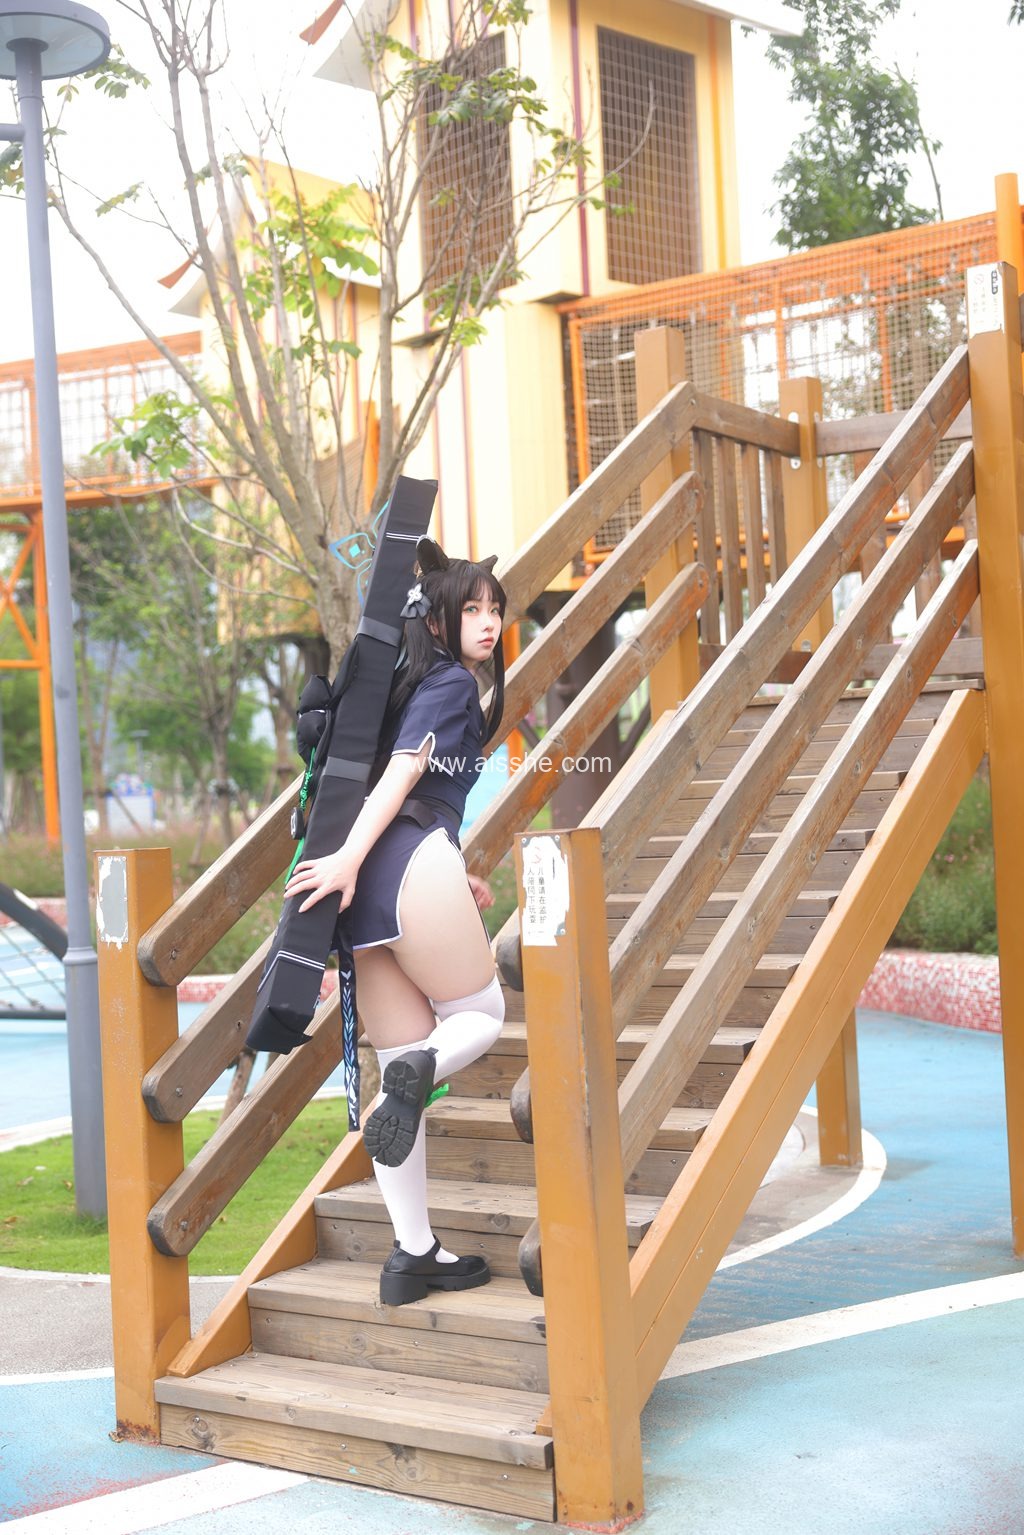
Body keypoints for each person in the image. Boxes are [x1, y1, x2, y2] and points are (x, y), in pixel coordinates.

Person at [283, 538, 507, 1307]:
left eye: (495, 609)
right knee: (481, 1014)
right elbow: (411, 771)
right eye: (472, 608)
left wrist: (362, 864)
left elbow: (397, 782)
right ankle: (420, 1073)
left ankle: (413, 1254)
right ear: (437, 619)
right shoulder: (451, 683)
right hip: (398, 859)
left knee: (402, 1061)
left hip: (372, 894)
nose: (489, 622)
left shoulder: (397, 689)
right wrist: (350, 859)